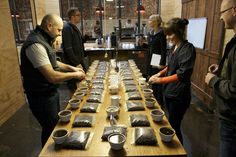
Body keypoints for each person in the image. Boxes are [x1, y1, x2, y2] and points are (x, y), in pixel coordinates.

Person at [20, 14, 86, 147]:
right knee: (50, 129)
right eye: (59, 30)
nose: (60, 34)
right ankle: (48, 153)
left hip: (49, 93)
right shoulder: (35, 45)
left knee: (53, 125)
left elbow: (53, 62)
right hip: (41, 97)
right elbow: (52, 76)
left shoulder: (44, 40)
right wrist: (74, 75)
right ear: (49, 26)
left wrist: (72, 68)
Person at [148, 18, 196, 144]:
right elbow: (172, 66)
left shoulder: (187, 48)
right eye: (167, 34)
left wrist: (160, 80)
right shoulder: (175, 47)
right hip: (170, 92)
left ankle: (179, 150)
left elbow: (182, 74)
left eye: (170, 34)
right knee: (171, 123)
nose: (168, 37)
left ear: (180, 32)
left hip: (179, 95)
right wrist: (160, 72)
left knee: (174, 126)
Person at [205, 0, 236, 156]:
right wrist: (221, 69)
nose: (220, 18)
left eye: (222, 12)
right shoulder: (233, 41)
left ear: (234, 10)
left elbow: (234, 90)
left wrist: (213, 80)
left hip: (232, 121)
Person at [62, 8, 87, 92]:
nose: (80, 17)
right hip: (73, 64)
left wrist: (86, 38)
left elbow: (78, 43)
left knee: (82, 84)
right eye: (78, 15)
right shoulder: (67, 28)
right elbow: (68, 48)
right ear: (72, 17)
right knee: (73, 87)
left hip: (78, 61)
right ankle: (73, 104)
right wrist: (76, 63)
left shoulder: (74, 27)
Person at [147, 14, 167, 106]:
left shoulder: (161, 33)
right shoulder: (150, 32)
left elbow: (163, 49)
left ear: (155, 22)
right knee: (152, 79)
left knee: (157, 82)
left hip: (158, 58)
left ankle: (159, 103)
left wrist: (162, 63)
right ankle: (154, 100)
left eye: (150, 20)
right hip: (151, 57)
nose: (149, 22)